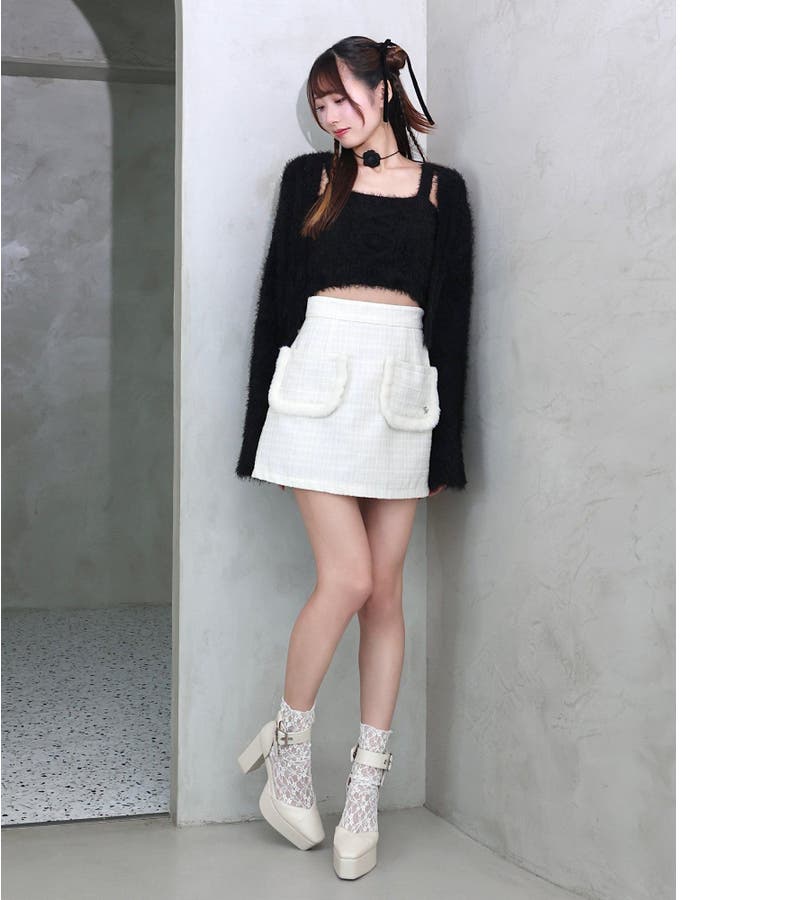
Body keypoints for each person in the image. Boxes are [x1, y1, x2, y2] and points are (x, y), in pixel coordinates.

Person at [235, 35, 475, 880]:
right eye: (320, 105)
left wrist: (447, 447)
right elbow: (276, 302)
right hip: (315, 391)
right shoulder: (310, 180)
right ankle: (290, 749)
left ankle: (365, 789)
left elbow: (452, 322)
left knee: (385, 596)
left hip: (402, 395)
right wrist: (257, 432)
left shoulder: (443, 190)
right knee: (348, 577)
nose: (332, 115)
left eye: (341, 96)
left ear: (385, 89)